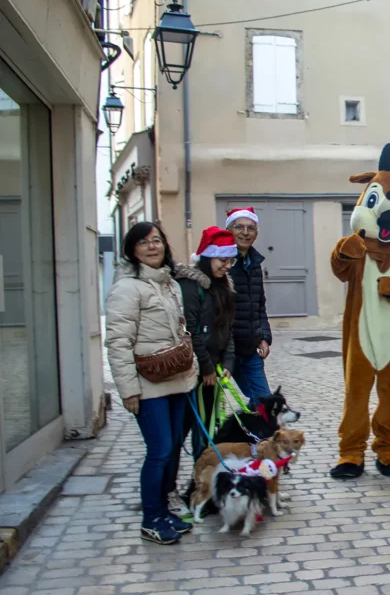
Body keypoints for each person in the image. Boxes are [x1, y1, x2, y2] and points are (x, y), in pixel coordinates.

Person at [105, 222, 198, 545]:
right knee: (158, 451)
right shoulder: (127, 288)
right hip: (148, 385)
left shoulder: (168, 283)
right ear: (132, 249)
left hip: (175, 380)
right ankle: (151, 518)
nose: (152, 247)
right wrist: (128, 389)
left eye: (157, 240)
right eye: (144, 242)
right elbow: (118, 343)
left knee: (171, 449)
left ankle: (163, 512)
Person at [174, 227, 237, 464]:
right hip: (194, 374)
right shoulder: (191, 287)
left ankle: (203, 481)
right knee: (182, 432)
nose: (227, 265)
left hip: (213, 373)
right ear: (208, 257)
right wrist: (207, 367)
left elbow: (227, 329)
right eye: (223, 260)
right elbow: (191, 331)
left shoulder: (224, 286)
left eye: (230, 260)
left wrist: (227, 362)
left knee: (208, 431)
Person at [225, 207, 273, 403]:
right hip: (225, 349)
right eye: (239, 227)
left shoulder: (254, 264)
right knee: (209, 414)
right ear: (229, 230)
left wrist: (264, 337)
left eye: (250, 228)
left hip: (250, 348)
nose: (245, 232)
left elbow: (260, 305)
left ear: (256, 234)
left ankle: (257, 433)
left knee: (263, 403)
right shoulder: (221, 262)